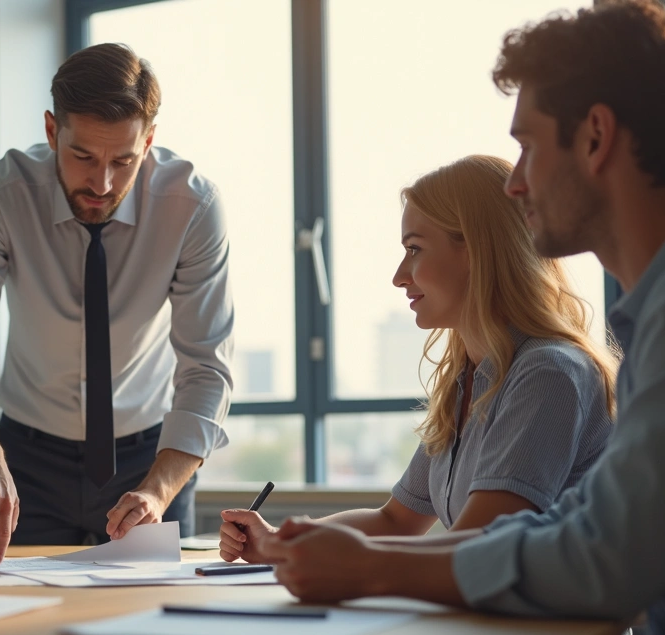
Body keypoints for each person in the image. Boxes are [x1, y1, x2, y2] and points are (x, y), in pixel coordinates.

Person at [256, 3, 665, 635]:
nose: (515, 184)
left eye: (527, 146)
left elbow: (605, 562)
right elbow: (572, 531)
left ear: (597, 137)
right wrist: (352, 557)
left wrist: (373, 570)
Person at [0, 43, 234, 562]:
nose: (102, 183)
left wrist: (158, 490)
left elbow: (206, 368)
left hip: (151, 458)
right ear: (51, 131)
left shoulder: (192, 208)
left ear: (149, 141)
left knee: (150, 617)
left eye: (124, 161)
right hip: (24, 459)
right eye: (82, 155)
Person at [219, 155, 617, 563]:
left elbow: (477, 545)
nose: (399, 275)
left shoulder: (549, 374)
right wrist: (277, 541)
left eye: (414, 249)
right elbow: (395, 521)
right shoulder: (466, 379)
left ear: (478, 251)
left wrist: (329, 560)